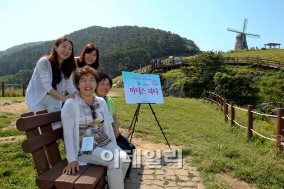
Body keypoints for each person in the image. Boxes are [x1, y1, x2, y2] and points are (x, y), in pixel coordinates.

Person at [61, 66, 129, 189]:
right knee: (116, 162)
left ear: (96, 83)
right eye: (83, 80)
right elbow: (68, 132)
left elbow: (107, 125)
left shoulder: (101, 101)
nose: (88, 83)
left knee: (125, 159)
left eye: (91, 79)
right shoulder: (71, 104)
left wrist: (114, 145)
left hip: (102, 140)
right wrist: (71, 159)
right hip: (83, 147)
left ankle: (112, 184)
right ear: (77, 85)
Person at [25, 37, 78, 129]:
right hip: (37, 99)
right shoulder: (44, 62)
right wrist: (64, 98)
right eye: (64, 46)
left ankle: (56, 143)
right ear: (56, 48)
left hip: (54, 100)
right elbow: (47, 87)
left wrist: (79, 95)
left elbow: (70, 86)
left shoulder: (68, 66)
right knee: (44, 128)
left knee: (56, 128)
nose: (67, 50)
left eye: (70, 49)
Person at [95, 73, 135, 177]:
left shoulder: (109, 100)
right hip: (102, 136)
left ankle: (125, 175)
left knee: (131, 147)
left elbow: (115, 118)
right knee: (123, 149)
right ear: (96, 85)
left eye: (107, 84)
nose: (105, 87)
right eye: (102, 84)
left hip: (112, 133)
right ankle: (118, 176)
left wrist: (116, 131)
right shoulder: (93, 99)